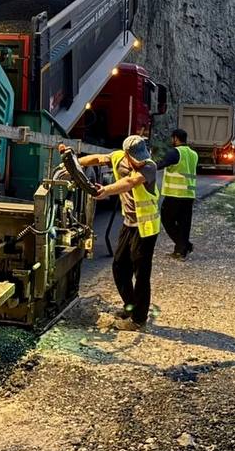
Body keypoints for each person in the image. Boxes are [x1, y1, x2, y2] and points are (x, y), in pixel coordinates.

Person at [60, 135, 161, 331]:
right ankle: (130, 306)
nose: (140, 161)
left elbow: (130, 182)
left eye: (142, 157)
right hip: (129, 224)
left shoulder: (149, 167)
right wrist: (75, 163)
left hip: (146, 227)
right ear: (126, 154)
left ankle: (138, 319)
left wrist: (106, 190)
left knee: (141, 274)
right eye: (136, 158)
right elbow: (98, 159)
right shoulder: (118, 157)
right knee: (119, 267)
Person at [156, 128, 199, 260]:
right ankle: (181, 251)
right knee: (184, 224)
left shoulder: (175, 152)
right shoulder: (193, 154)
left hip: (175, 194)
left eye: (172, 138)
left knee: (167, 220)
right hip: (189, 194)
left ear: (175, 138)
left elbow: (161, 164)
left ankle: (184, 245)